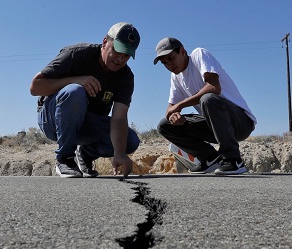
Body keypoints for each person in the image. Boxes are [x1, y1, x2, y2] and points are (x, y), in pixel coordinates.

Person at [30, 22, 141, 178]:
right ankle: (65, 158)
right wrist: (76, 80)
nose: (120, 59)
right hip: (52, 119)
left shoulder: (125, 77)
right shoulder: (77, 54)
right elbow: (35, 87)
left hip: (87, 124)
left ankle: (85, 154)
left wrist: (119, 153)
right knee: (75, 92)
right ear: (105, 42)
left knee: (130, 141)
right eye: (118, 51)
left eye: (126, 55)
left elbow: (119, 117)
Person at [153, 37, 256, 175]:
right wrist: (173, 115)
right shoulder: (176, 76)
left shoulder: (198, 55)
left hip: (241, 123)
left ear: (182, 51)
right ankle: (210, 158)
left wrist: (180, 105)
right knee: (165, 125)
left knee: (208, 99)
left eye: (171, 58)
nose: (169, 65)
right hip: (216, 126)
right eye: (164, 63)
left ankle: (233, 160)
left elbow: (213, 87)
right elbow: (171, 108)